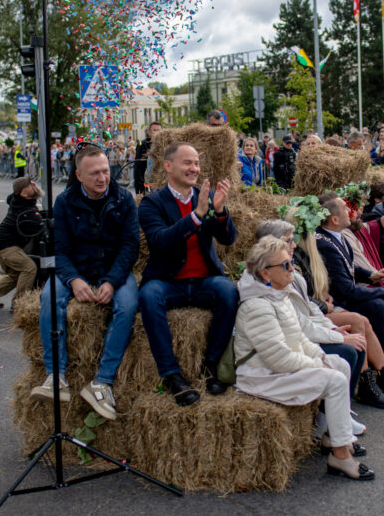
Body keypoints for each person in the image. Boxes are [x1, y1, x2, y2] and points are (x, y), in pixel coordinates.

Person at [234, 237, 374, 481]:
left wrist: (320, 355)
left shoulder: (279, 295)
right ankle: (340, 456)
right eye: (286, 265)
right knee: (335, 379)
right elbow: (278, 358)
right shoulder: (256, 306)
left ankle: (334, 437)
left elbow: (300, 336)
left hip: (277, 368)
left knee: (339, 364)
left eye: (291, 263)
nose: (292, 269)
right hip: (261, 375)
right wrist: (316, 364)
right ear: (266, 273)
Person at [30, 146, 140, 419]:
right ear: (79, 175)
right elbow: (61, 249)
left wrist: (112, 281)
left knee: (128, 305)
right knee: (48, 297)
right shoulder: (65, 202)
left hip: (113, 269)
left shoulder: (124, 198)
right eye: (94, 173)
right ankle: (56, 375)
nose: (102, 177)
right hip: (77, 268)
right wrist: (74, 279)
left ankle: (102, 381)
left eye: (105, 170)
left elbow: (130, 246)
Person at [137, 142, 239, 407]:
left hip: (204, 280)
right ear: (168, 166)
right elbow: (160, 241)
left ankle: (211, 367)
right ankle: (172, 376)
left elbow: (228, 239)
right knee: (148, 296)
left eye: (196, 163)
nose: (194, 168)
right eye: (187, 163)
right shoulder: (152, 203)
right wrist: (196, 216)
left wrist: (219, 212)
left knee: (229, 291)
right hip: (168, 281)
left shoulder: (206, 196)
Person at [315, 193, 384, 409]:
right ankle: (375, 379)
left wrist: (370, 275)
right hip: (339, 300)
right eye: (345, 208)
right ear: (334, 219)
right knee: (378, 304)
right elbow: (346, 290)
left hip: (344, 294)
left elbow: (348, 268)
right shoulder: (324, 243)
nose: (351, 211)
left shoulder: (335, 236)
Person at [0, 177, 42, 310]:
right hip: (5, 246)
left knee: (16, 275)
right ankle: (18, 303)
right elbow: (38, 227)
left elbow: (12, 196)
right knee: (29, 268)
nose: (34, 185)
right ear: (23, 193)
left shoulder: (18, 200)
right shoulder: (25, 211)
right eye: (30, 185)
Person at [133, 121, 161, 195]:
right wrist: (139, 189)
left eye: (159, 131)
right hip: (146, 181)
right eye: (154, 130)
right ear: (149, 131)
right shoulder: (142, 144)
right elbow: (138, 168)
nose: (156, 133)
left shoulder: (163, 145)